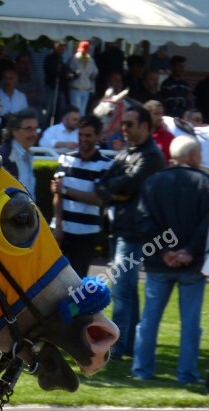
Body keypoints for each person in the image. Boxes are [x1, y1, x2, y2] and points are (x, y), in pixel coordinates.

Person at [132, 136, 209, 383]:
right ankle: (186, 374)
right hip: (193, 264)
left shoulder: (153, 182)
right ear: (195, 155)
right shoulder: (205, 183)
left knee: (148, 321)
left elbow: (143, 220)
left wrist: (165, 250)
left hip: (158, 262)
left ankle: (141, 370)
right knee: (190, 324)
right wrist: (189, 251)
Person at [94, 105, 165, 359]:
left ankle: (120, 346)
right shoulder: (126, 153)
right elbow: (101, 184)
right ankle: (127, 345)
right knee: (127, 290)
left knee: (121, 290)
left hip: (135, 232)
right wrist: (116, 192)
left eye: (129, 124)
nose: (123, 128)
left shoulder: (152, 157)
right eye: (123, 124)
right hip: (121, 228)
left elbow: (127, 184)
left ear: (145, 126)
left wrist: (114, 191)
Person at [50, 114, 113, 278]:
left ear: (98, 137)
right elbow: (56, 193)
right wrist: (58, 226)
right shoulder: (65, 158)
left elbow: (97, 199)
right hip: (61, 228)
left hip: (86, 232)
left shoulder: (106, 164)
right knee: (52, 279)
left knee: (77, 281)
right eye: (81, 135)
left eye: (88, 135)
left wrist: (66, 190)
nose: (83, 139)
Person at [0, 109, 39, 201]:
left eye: (35, 129)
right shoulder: (2, 157)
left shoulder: (28, 155)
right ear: (14, 131)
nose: (34, 134)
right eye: (28, 129)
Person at [67, 41, 98, 117]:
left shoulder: (91, 60)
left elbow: (95, 73)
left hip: (86, 89)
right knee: (75, 110)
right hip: (75, 88)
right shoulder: (74, 58)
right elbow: (68, 71)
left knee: (82, 112)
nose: (83, 52)